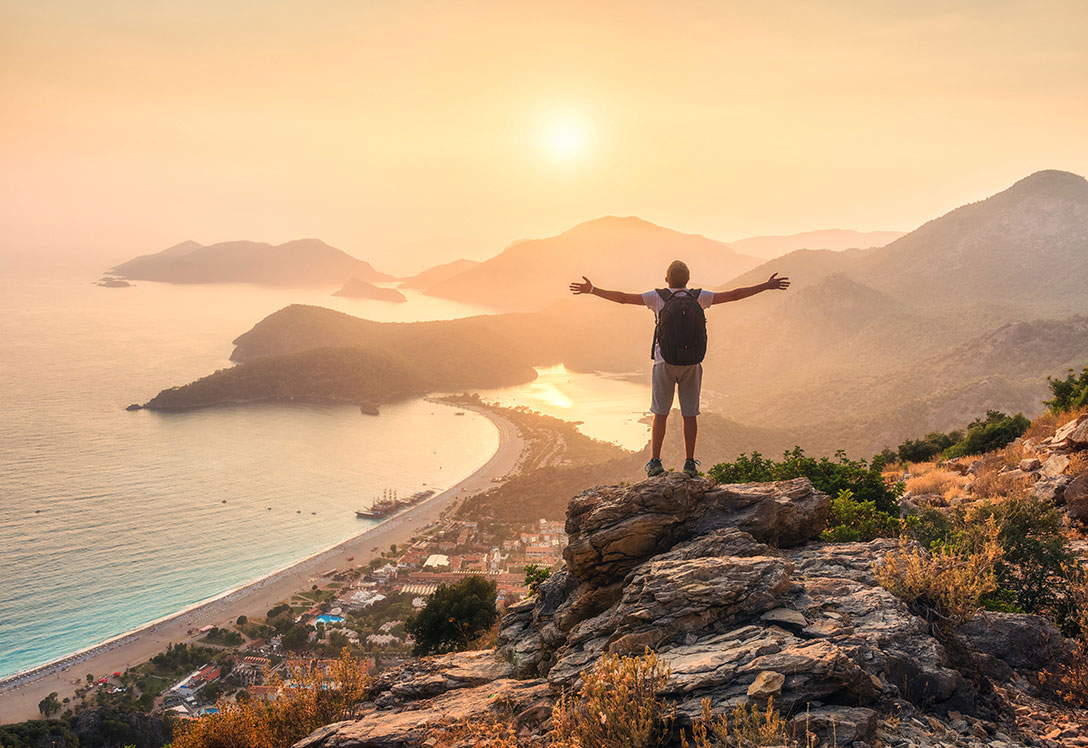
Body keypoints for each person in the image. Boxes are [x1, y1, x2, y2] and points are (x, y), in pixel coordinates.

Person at [569, 260, 790, 477]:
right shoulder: (699, 296)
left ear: (666, 279)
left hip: (663, 362)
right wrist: (766, 285)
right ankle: (689, 463)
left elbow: (624, 298)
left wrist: (593, 290)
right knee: (689, 414)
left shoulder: (657, 297)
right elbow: (734, 295)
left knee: (660, 413)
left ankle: (655, 462)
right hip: (692, 363)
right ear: (688, 280)